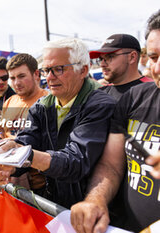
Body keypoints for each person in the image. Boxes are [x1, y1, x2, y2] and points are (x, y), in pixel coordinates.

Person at [0, 38, 116, 209]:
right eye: (47, 70)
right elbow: (26, 140)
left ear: (83, 70)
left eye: (58, 69)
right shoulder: (42, 106)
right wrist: (6, 164)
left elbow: (77, 161)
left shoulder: (100, 104)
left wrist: (23, 154)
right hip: (55, 205)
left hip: (92, 211)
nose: (50, 77)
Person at [70, 10, 160, 233]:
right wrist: (96, 199)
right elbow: (111, 164)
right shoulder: (133, 98)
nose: (156, 68)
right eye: (155, 57)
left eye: (109, 57)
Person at [0, 53, 48, 193]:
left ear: (36, 74)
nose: (16, 83)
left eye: (21, 76)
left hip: (38, 187)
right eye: (12, 78)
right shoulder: (10, 101)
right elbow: (1, 132)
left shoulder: (48, 101)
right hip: (8, 178)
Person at [90, 34, 153, 100]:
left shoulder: (153, 92)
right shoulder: (100, 94)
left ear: (132, 57)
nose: (102, 64)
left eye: (109, 57)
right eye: (100, 59)